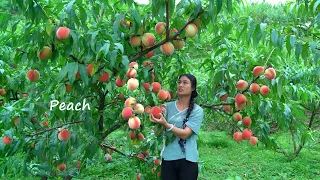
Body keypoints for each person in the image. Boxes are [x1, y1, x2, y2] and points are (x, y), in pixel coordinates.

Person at [149, 74, 204, 180]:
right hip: (169, 157)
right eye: (179, 82)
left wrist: (166, 124)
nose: (181, 85)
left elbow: (185, 134)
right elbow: (158, 133)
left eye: (185, 82)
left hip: (188, 160)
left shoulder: (197, 110)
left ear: (193, 88)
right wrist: (157, 120)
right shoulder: (167, 107)